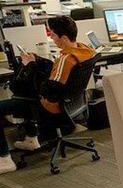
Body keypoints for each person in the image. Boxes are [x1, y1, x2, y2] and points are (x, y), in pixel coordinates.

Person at [0, 15, 96, 174]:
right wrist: (38, 62)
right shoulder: (84, 49)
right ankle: (31, 139)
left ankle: (4, 158)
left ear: (63, 38)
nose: (50, 36)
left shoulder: (66, 58)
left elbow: (49, 90)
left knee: (23, 93)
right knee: (25, 91)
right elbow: (57, 76)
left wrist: (30, 66)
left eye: (52, 33)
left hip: (53, 107)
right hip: (74, 102)